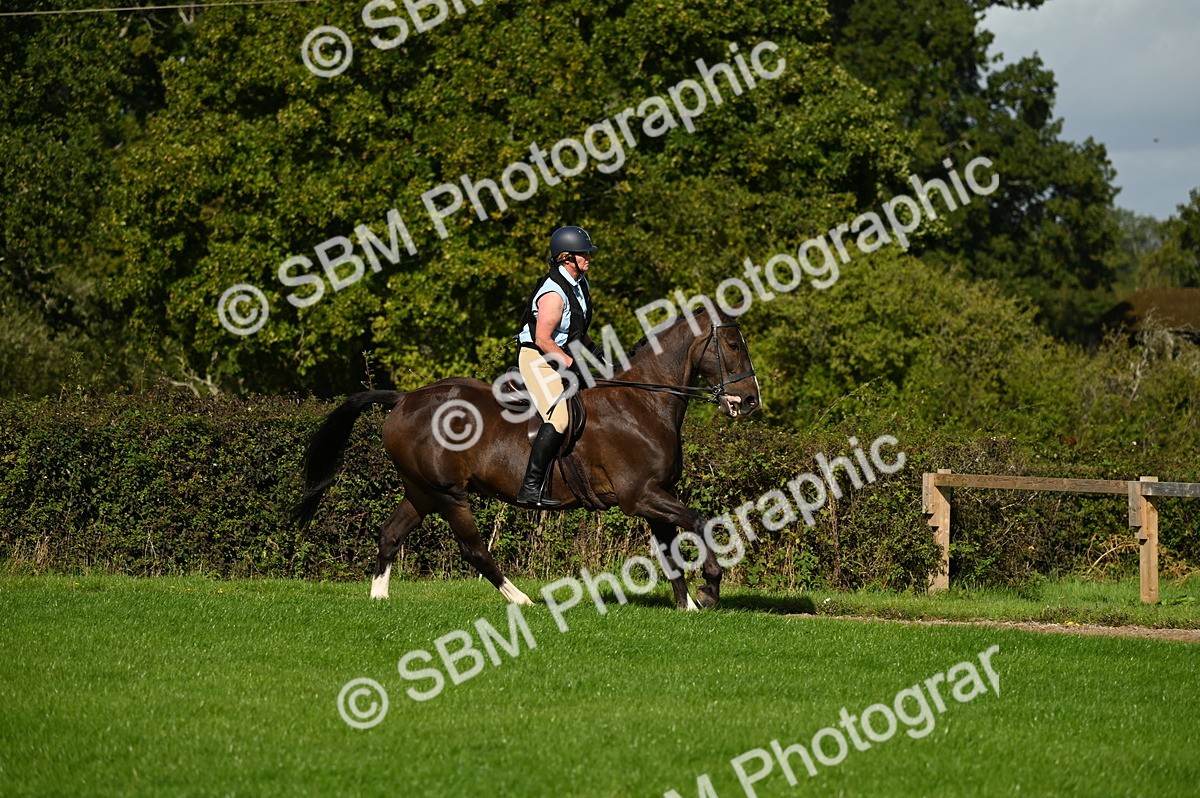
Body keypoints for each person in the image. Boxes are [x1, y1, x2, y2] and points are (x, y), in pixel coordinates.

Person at [515, 225, 607, 507]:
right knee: (559, 419)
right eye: (584, 254)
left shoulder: (580, 283)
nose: (589, 258)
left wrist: (597, 355)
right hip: (538, 359)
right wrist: (572, 364)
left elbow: (578, 330)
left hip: (563, 354)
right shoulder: (553, 293)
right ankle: (530, 488)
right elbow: (543, 339)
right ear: (566, 257)